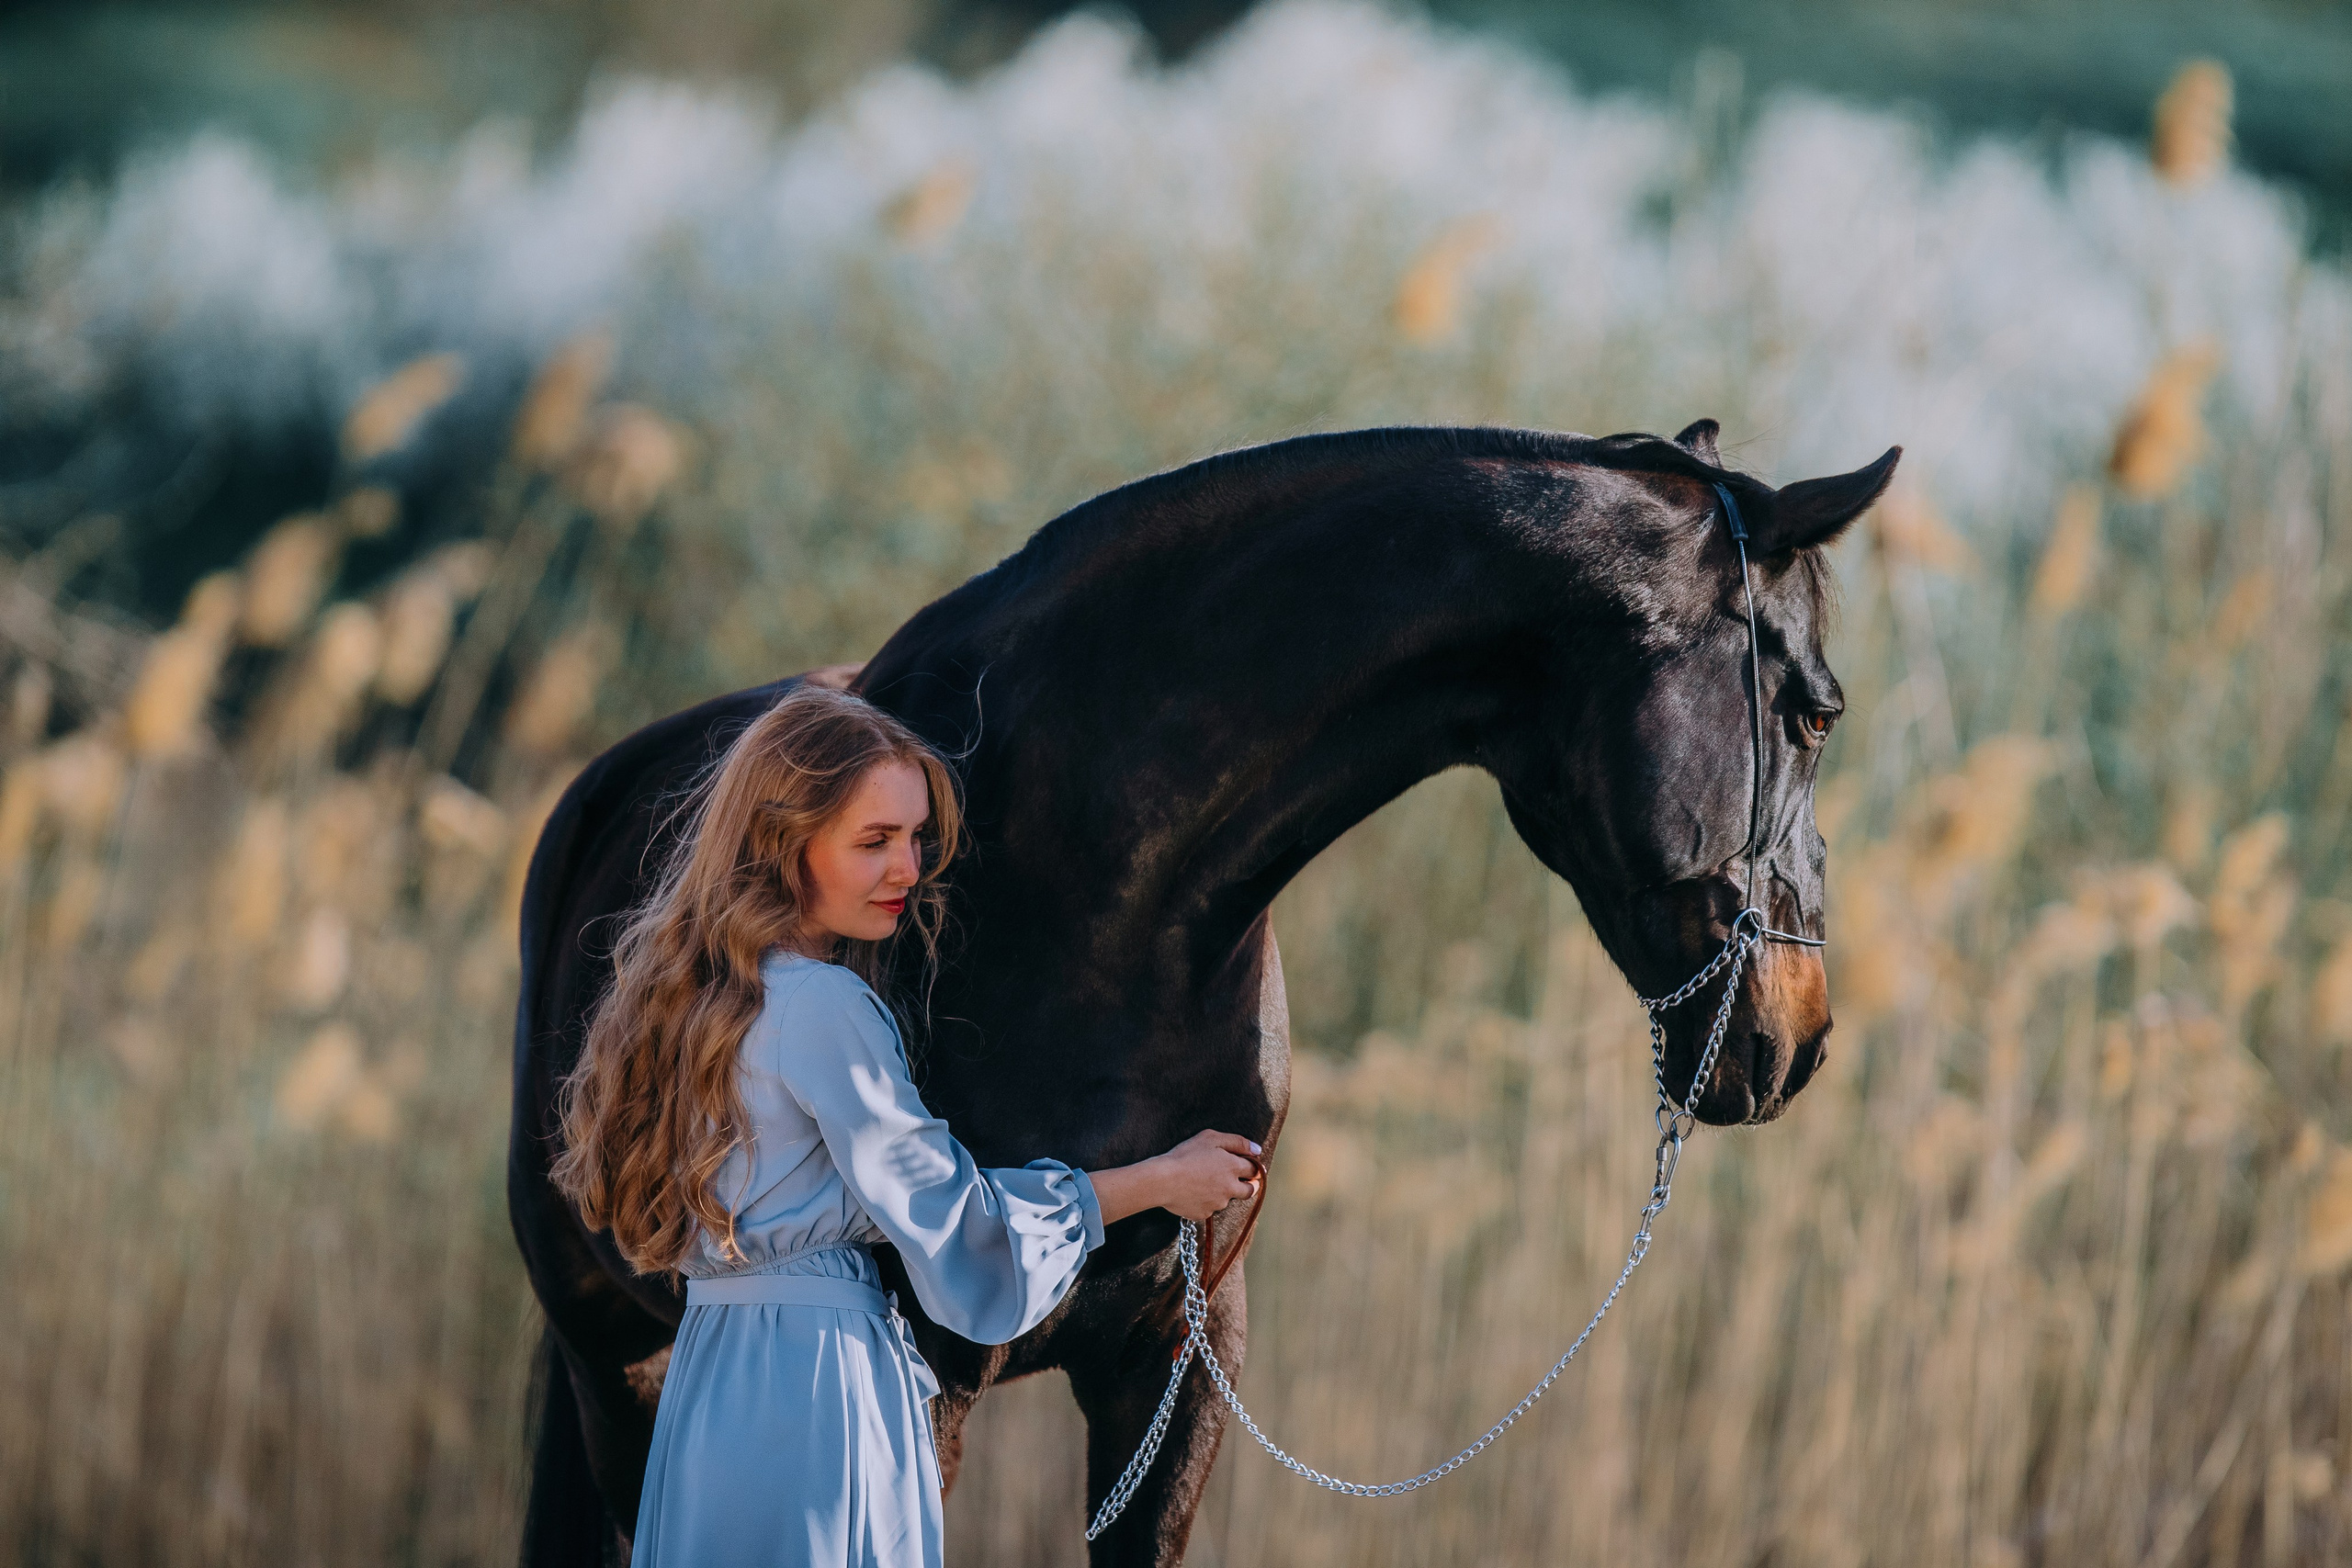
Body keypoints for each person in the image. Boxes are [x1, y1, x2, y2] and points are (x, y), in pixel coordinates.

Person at [550, 683, 1262, 1567]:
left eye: (917, 836)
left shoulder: (700, 997)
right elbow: (959, 1228)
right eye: (874, 840)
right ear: (784, 845)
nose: (909, 868)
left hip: (715, 1384)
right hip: (816, 1395)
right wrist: (1160, 1181)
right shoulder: (824, 1007)